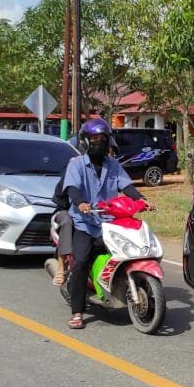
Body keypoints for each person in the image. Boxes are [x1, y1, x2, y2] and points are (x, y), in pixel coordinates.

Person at [61, 118, 143, 329]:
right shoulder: (76, 164)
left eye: (103, 139)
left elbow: (126, 186)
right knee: (80, 263)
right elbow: (72, 188)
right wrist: (80, 203)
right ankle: (77, 312)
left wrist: (140, 199)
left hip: (109, 222)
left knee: (128, 252)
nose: (99, 143)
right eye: (94, 139)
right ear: (86, 142)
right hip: (84, 223)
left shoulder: (113, 165)